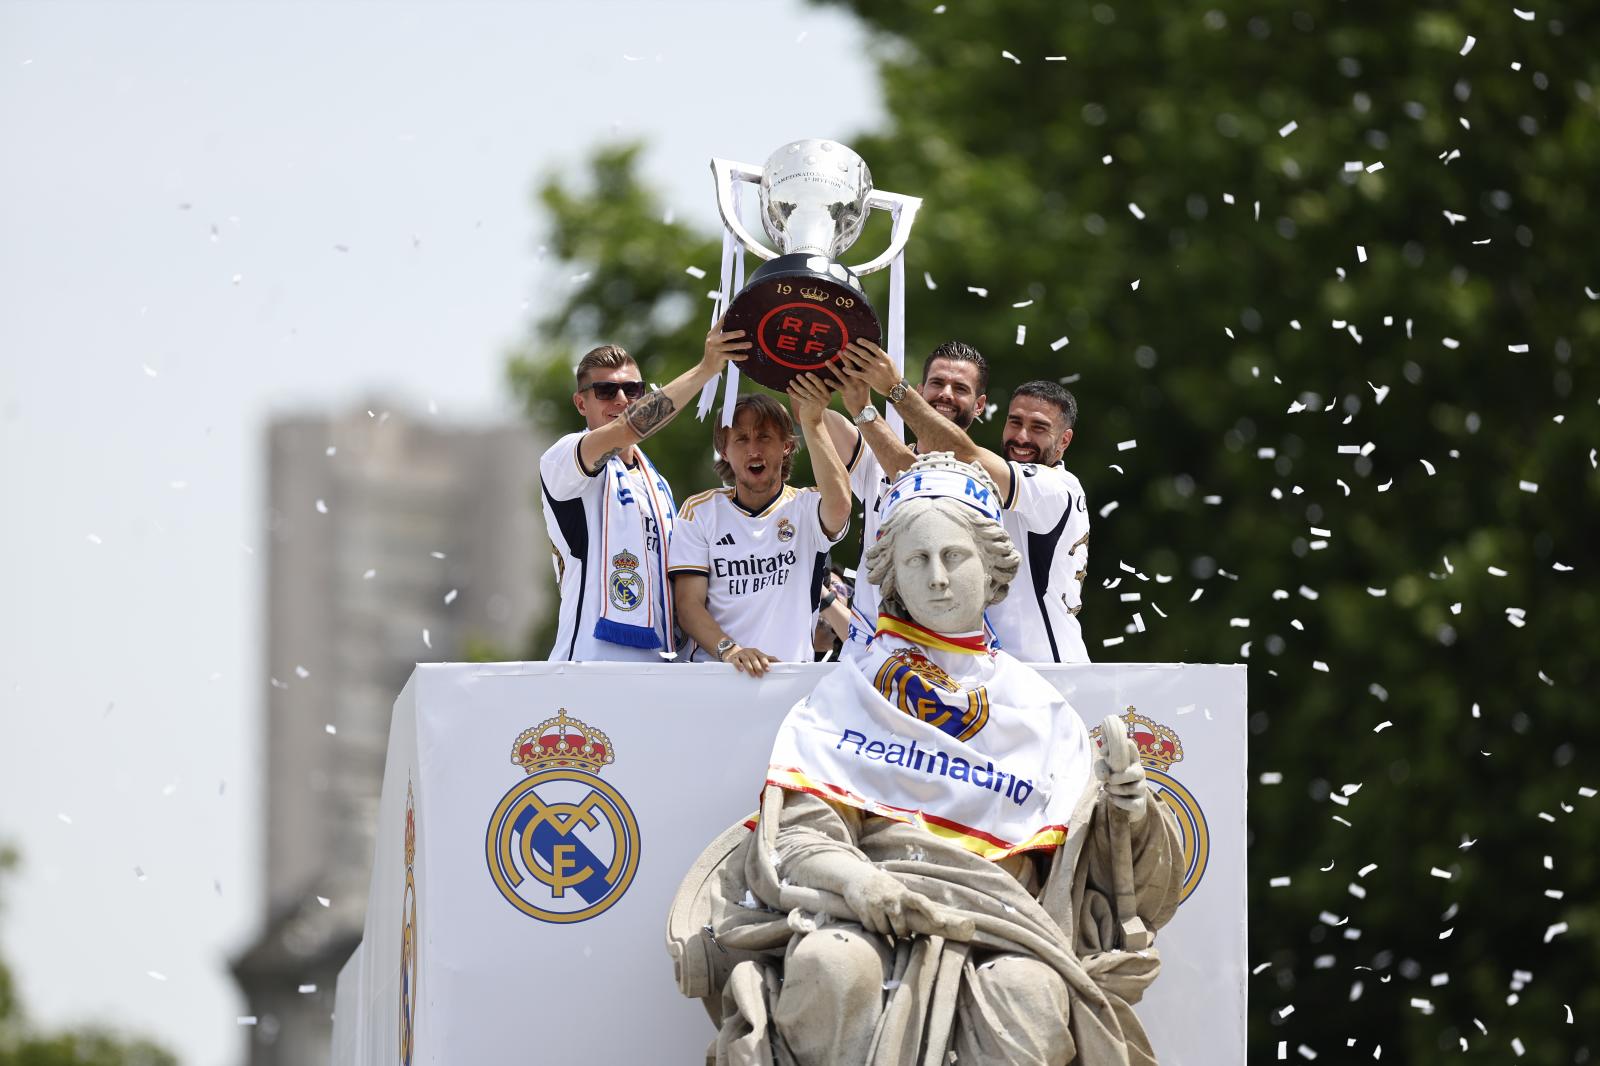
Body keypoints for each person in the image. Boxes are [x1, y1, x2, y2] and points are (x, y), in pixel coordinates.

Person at [666, 454, 1181, 1065]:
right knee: (831, 966)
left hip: (1004, 925)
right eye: (917, 559)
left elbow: (1102, 873)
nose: (937, 577)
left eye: (954, 556)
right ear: (894, 578)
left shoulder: (1038, 708)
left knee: (1029, 994)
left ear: (992, 568)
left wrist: (1131, 811)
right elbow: (799, 838)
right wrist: (860, 882)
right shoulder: (851, 689)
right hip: (867, 913)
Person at [831, 339, 1091, 663]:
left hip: (1048, 671)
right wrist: (858, 406)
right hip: (983, 671)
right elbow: (913, 473)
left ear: (1064, 440)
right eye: (1015, 422)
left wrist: (895, 389)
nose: (1022, 437)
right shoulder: (981, 477)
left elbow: (962, 455)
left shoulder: (1057, 487)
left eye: (1038, 428)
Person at [538, 325, 749, 661]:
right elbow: (628, 427)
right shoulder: (564, 458)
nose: (622, 400)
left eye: (633, 389)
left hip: (659, 668)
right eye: (606, 391)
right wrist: (706, 369)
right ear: (581, 403)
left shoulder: (656, 484)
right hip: (589, 664)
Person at [668, 376, 851, 675]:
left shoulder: (807, 507)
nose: (754, 449)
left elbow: (841, 506)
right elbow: (688, 606)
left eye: (765, 437)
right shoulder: (700, 511)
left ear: (787, 446)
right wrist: (732, 651)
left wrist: (812, 422)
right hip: (714, 678)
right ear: (724, 451)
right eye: (741, 439)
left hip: (790, 681)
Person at [813, 340, 993, 634]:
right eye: (937, 383)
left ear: (980, 405)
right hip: (870, 654)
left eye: (960, 388)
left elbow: (921, 480)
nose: (946, 394)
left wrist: (870, 405)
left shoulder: (983, 477)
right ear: (920, 392)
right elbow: (810, 413)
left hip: (945, 654)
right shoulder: (872, 463)